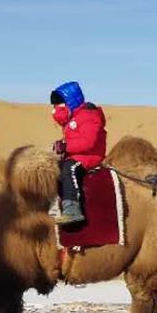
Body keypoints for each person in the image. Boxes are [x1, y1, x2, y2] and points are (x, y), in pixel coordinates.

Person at [49, 81, 106, 226]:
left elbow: (89, 142)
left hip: (90, 156)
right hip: (77, 155)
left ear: (70, 101)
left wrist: (66, 146)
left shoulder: (88, 116)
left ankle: (72, 209)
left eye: (59, 105)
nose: (55, 110)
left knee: (69, 169)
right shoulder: (72, 119)